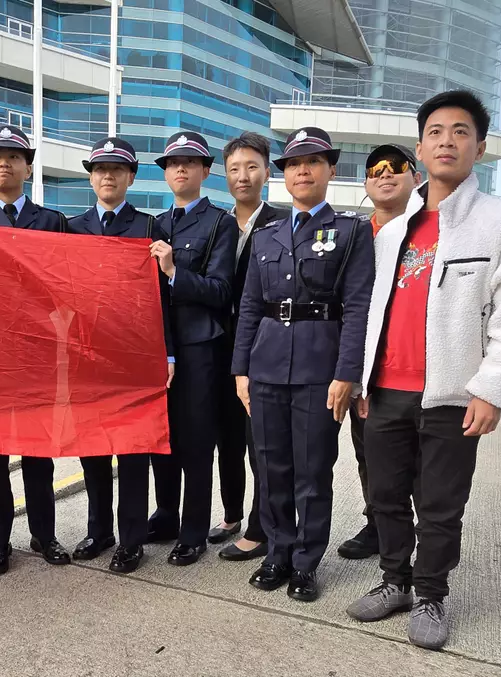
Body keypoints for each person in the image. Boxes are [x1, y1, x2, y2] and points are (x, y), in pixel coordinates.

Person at [346, 91, 501, 651]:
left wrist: (492, 390)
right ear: (419, 149)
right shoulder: (391, 231)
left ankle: (430, 592)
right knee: (383, 494)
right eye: (435, 132)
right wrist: (361, 379)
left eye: (460, 131)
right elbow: (371, 309)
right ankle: (394, 581)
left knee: (439, 504)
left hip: (453, 394)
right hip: (384, 391)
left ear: (479, 147)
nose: (447, 141)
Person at [231, 127, 373, 603]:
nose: (303, 170)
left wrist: (346, 374)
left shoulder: (351, 231)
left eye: (313, 161)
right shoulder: (268, 234)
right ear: (285, 175)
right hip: (266, 365)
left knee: (313, 471)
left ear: (331, 170)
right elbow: (250, 305)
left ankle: (306, 563)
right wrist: (241, 370)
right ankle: (277, 551)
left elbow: (357, 308)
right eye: (294, 164)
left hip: (319, 369)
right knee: (270, 468)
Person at [0, 124, 71, 575]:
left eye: (14, 155)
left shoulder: (52, 222)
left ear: (28, 166)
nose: (4, 162)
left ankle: (45, 534)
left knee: (40, 456)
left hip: (38, 356)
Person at [67, 137, 172, 574]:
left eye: (117, 169)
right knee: (92, 449)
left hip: (134, 357)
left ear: (131, 177)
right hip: (87, 355)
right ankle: (99, 530)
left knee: (132, 452)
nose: (107, 176)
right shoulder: (70, 228)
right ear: (91, 176)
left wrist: (167, 355)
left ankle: (131, 538)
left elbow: (164, 299)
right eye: (99, 169)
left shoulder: (148, 228)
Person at [146, 132, 236, 566]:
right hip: (154, 345)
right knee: (161, 438)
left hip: (200, 345)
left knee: (197, 440)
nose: (180, 169)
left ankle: (194, 530)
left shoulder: (221, 223)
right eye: (172, 163)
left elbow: (221, 291)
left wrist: (173, 271)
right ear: (164, 172)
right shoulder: (154, 224)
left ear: (205, 171)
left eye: (190, 162)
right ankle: (165, 514)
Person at [337, 144, 422, 561]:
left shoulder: (428, 232)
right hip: (363, 368)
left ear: (416, 177)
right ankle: (378, 526)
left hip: (416, 369)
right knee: (368, 454)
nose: (385, 174)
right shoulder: (353, 235)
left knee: (421, 466)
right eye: (375, 169)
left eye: (397, 167)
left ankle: (420, 537)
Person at [214, 132, 288, 563]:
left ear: (266, 172)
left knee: (261, 445)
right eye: (234, 169)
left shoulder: (279, 222)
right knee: (226, 440)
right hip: (219, 350)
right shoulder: (221, 224)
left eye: (252, 167)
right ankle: (231, 515)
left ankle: (261, 528)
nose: (243, 176)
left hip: (264, 351)